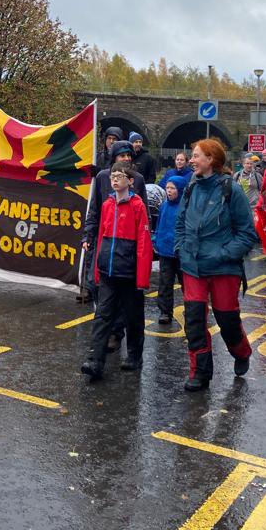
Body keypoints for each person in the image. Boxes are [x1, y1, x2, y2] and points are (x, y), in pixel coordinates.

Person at [175, 138, 258, 391]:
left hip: (223, 268)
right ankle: (199, 373)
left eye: (196, 155)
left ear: (211, 159)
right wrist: (181, 248)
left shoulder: (231, 190)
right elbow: (180, 224)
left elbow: (247, 234)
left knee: (227, 320)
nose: (191, 160)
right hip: (193, 266)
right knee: (194, 321)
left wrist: (222, 254)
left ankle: (241, 351)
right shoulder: (190, 188)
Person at [80, 163, 152, 381]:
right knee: (102, 316)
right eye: (112, 176)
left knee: (133, 317)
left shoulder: (137, 205)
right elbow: (102, 236)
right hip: (109, 271)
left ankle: (134, 356)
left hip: (129, 273)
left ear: (130, 181)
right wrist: (98, 269)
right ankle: (95, 360)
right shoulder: (108, 204)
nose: (114, 179)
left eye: (119, 176)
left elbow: (144, 242)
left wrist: (142, 277)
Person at [153, 172, 189, 325]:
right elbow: (159, 225)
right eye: (167, 188)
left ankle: (191, 309)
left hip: (182, 252)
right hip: (165, 252)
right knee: (165, 284)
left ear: (180, 190)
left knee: (187, 284)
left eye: (172, 188)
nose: (169, 191)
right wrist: (156, 241)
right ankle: (165, 312)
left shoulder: (186, 207)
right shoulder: (164, 206)